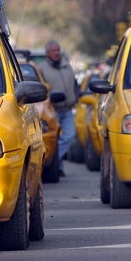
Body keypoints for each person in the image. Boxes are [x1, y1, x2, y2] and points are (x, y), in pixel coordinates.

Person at [37, 40, 78, 177]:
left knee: (69, 135)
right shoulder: (41, 68)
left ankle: (54, 160)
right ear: (47, 53)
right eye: (53, 50)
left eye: (58, 50)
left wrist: (76, 96)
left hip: (67, 109)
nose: (56, 53)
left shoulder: (67, 66)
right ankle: (57, 167)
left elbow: (75, 85)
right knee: (53, 139)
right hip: (51, 110)